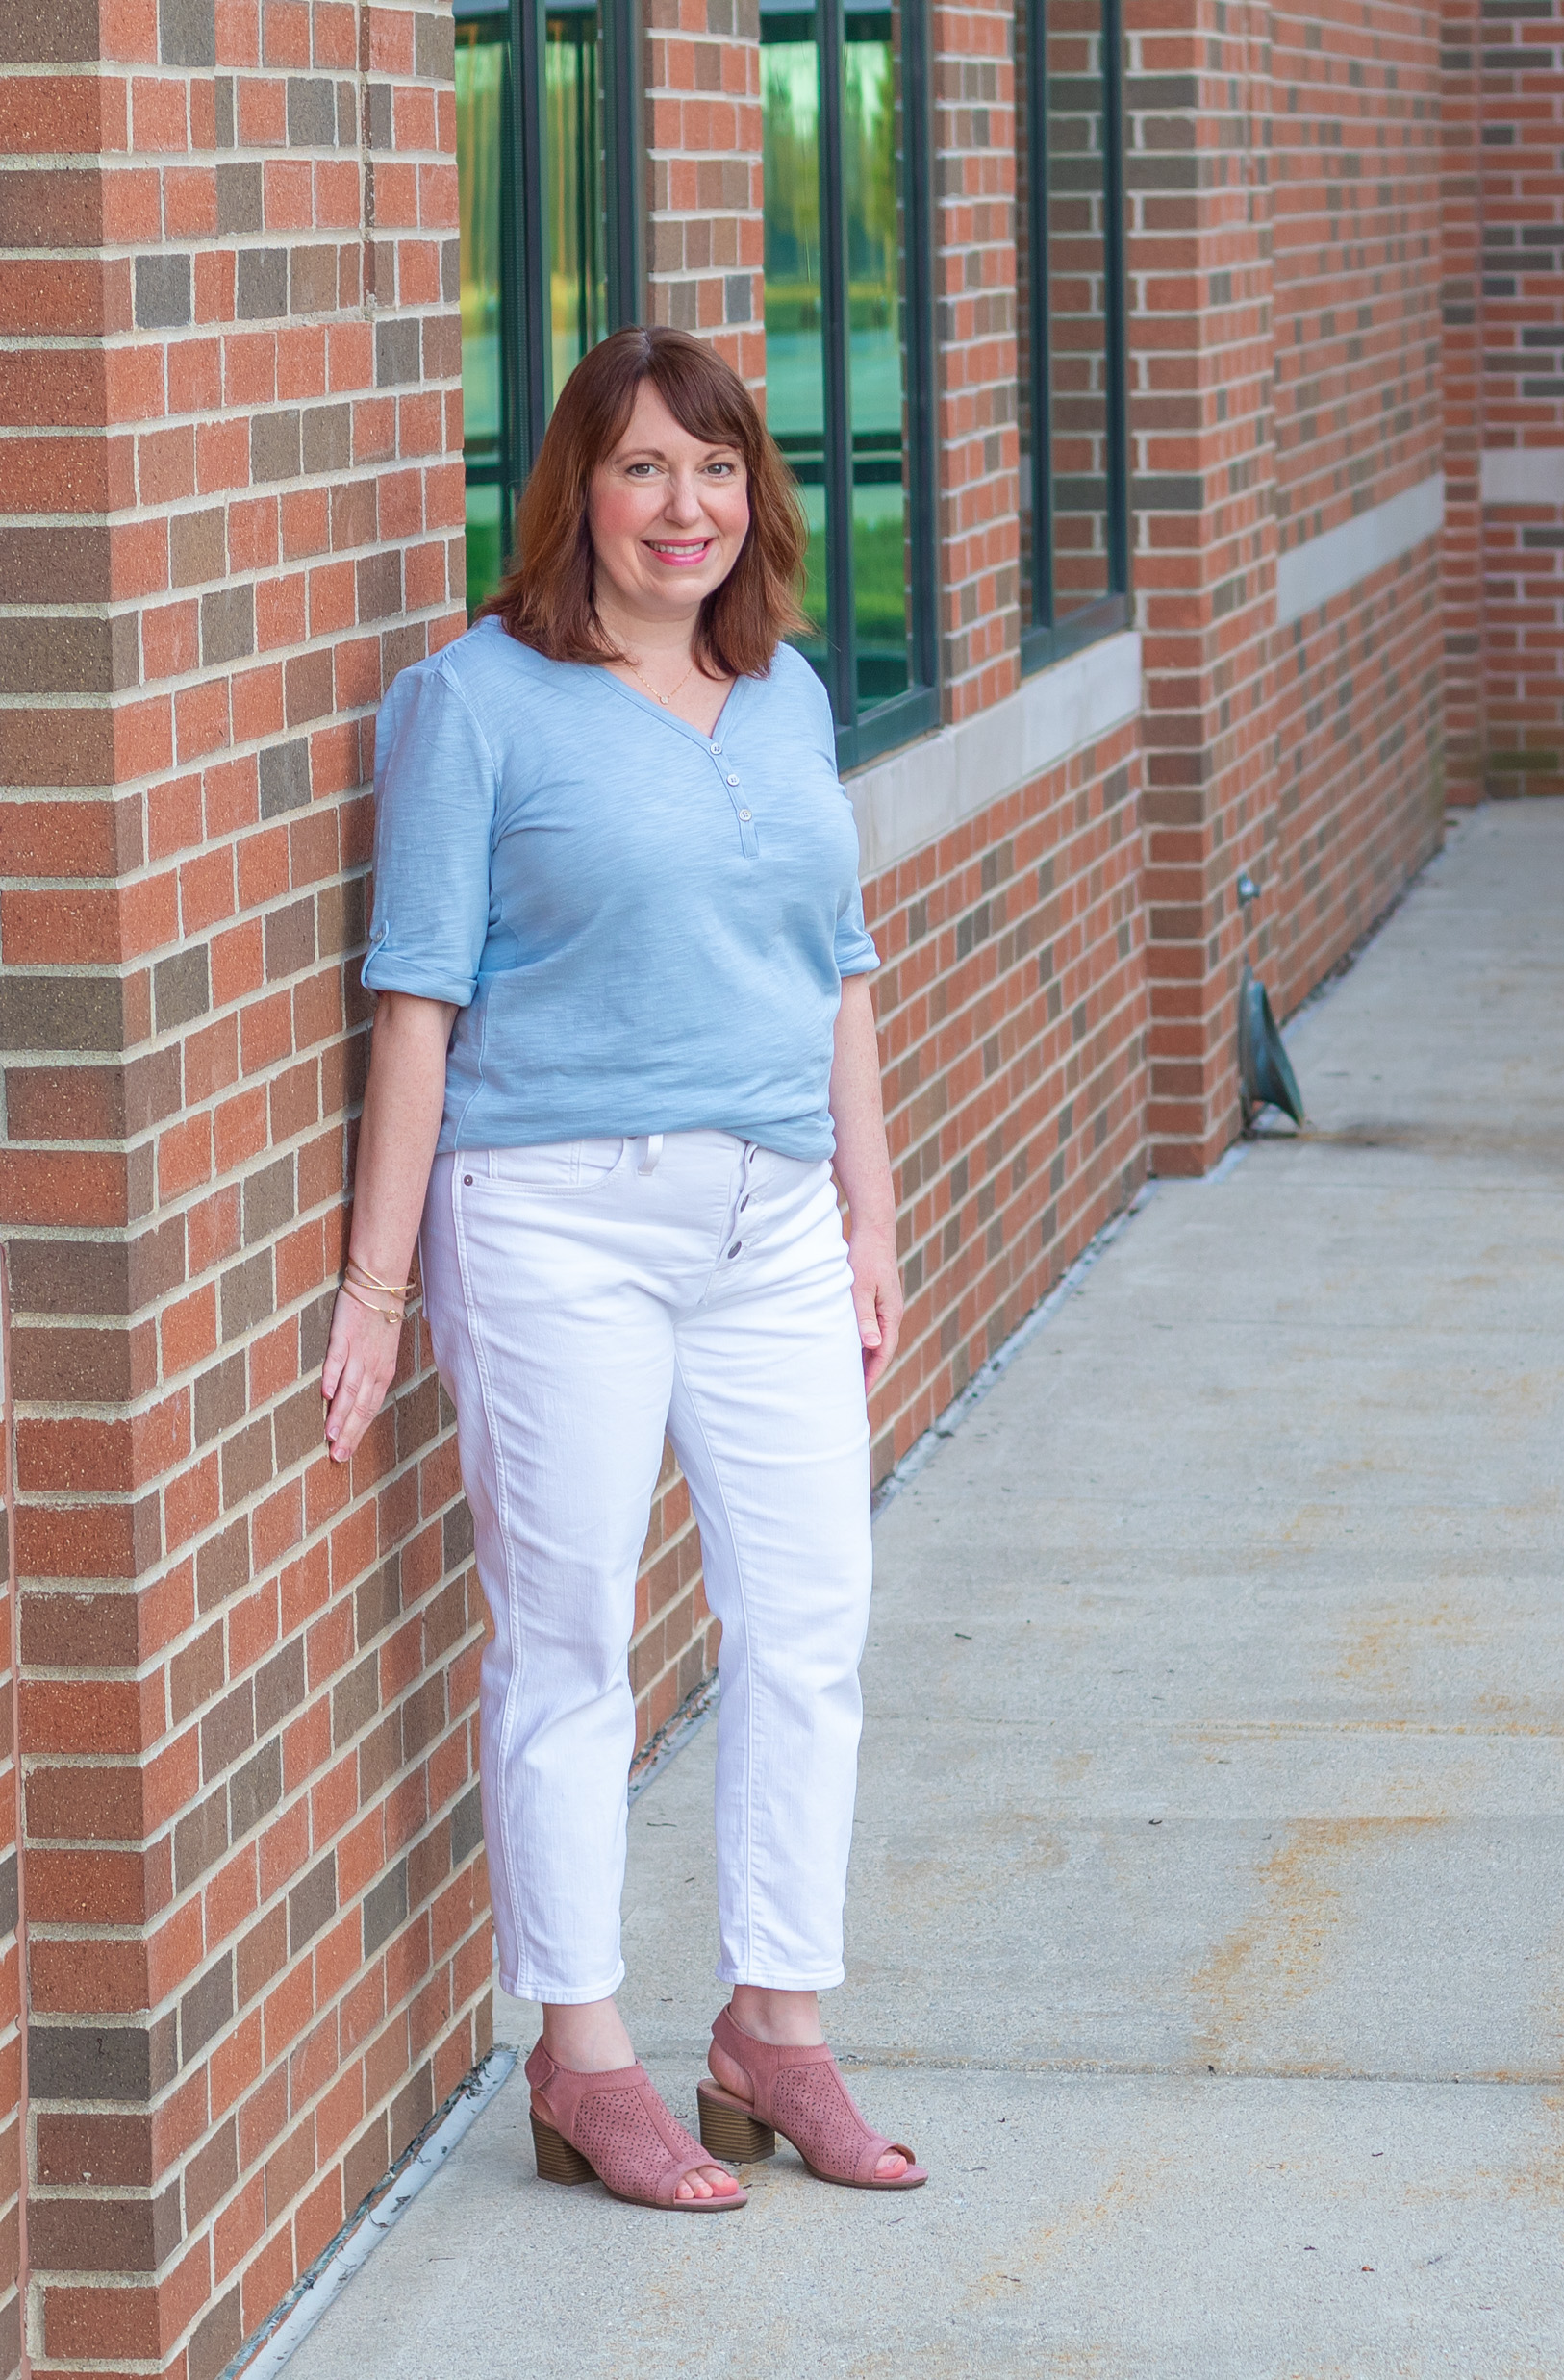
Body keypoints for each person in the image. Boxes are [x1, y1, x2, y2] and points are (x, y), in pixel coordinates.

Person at [320, 324, 926, 2212]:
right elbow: (415, 998)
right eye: (648, 466)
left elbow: (836, 970)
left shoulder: (791, 693)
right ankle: (586, 2058)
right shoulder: (473, 699)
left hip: (767, 1227)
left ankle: (776, 2024)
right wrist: (375, 1282)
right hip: (556, 1218)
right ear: (577, 486)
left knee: (809, 1621)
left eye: (721, 468)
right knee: (573, 1648)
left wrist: (871, 1219)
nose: (689, 506)